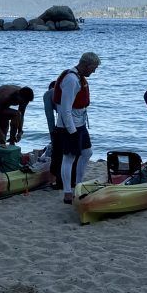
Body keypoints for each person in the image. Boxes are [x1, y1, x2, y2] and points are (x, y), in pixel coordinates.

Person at [54, 52, 100, 204]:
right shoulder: (71, 80)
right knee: (69, 157)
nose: (94, 71)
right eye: (93, 68)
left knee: (87, 152)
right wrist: (72, 131)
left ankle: (78, 184)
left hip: (79, 123)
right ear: (86, 65)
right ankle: (68, 192)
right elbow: (65, 109)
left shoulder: (79, 78)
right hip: (69, 125)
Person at [43, 81, 63, 190]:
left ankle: (55, 182)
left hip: (62, 127)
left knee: (57, 154)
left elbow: (49, 117)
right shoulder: (66, 91)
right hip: (77, 124)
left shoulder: (48, 94)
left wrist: (53, 136)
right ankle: (72, 180)